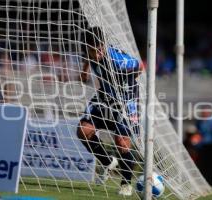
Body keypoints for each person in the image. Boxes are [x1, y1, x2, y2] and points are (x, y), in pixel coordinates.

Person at [77, 27, 140, 196]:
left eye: (99, 49)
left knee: (121, 142)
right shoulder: (90, 54)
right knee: (83, 131)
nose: (96, 53)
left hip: (126, 101)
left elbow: (140, 66)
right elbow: (88, 58)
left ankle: (126, 183)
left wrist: (121, 76)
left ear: (103, 45)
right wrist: (84, 71)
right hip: (104, 98)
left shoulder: (117, 59)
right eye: (92, 50)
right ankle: (107, 161)